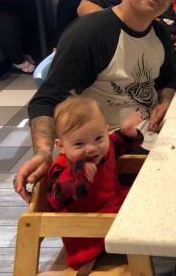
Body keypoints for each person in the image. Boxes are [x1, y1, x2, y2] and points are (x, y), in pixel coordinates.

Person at [15, 0, 176, 202]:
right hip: (108, 151)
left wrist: (165, 102)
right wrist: (42, 152)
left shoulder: (160, 33)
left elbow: (168, 80)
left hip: (152, 135)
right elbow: (45, 101)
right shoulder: (91, 33)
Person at [47, 95, 144, 271]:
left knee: (148, 201)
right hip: (86, 226)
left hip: (114, 202)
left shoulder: (108, 146)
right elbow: (55, 198)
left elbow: (120, 143)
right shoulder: (61, 167)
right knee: (140, 221)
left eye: (98, 138)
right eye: (79, 144)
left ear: (107, 132)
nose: (92, 148)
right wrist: (76, 173)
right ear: (61, 146)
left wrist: (128, 133)